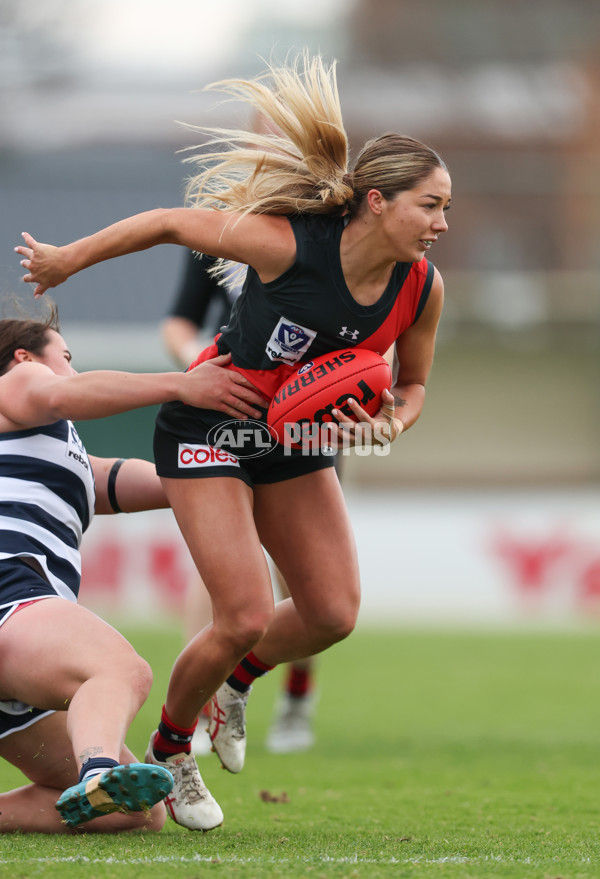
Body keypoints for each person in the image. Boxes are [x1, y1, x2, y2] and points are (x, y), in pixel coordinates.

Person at [15, 52, 451, 832]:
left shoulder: (423, 286)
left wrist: (389, 423)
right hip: (211, 423)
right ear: (379, 202)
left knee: (332, 612)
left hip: (296, 438)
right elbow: (169, 223)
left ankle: (237, 683)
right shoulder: (291, 244)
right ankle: (173, 748)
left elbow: (412, 387)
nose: (443, 223)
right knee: (244, 611)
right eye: (432, 205)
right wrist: (67, 260)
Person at [0, 298, 266, 833]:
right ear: (26, 357)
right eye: (68, 357)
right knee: (121, 670)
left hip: (15, 637)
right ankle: (95, 768)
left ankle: (97, 782)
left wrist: (239, 464)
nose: (72, 371)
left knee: (139, 812)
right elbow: (64, 391)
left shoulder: (55, 448)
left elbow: (133, 481)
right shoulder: (20, 383)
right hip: (9, 592)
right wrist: (181, 384)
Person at [163, 249, 319, 757]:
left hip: (302, 426)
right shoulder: (217, 238)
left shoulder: (324, 234)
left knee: (308, 583)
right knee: (215, 569)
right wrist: (199, 366)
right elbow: (177, 322)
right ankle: (202, 705)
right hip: (228, 415)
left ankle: (295, 701)